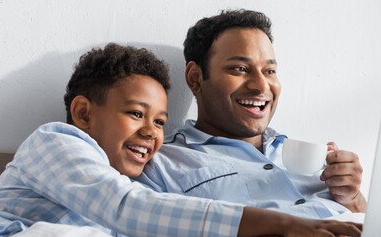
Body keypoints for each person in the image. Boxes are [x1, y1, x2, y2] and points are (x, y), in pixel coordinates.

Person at [0, 43, 362, 237]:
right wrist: (281, 224)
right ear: (84, 113)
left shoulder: (132, 173)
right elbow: (128, 208)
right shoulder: (55, 141)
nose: (152, 132)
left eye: (161, 122)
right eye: (136, 114)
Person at [140, 9, 367, 220]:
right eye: (240, 68)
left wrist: (353, 198)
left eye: (269, 71)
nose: (261, 86)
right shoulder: (159, 163)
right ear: (195, 78)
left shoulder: (308, 159)